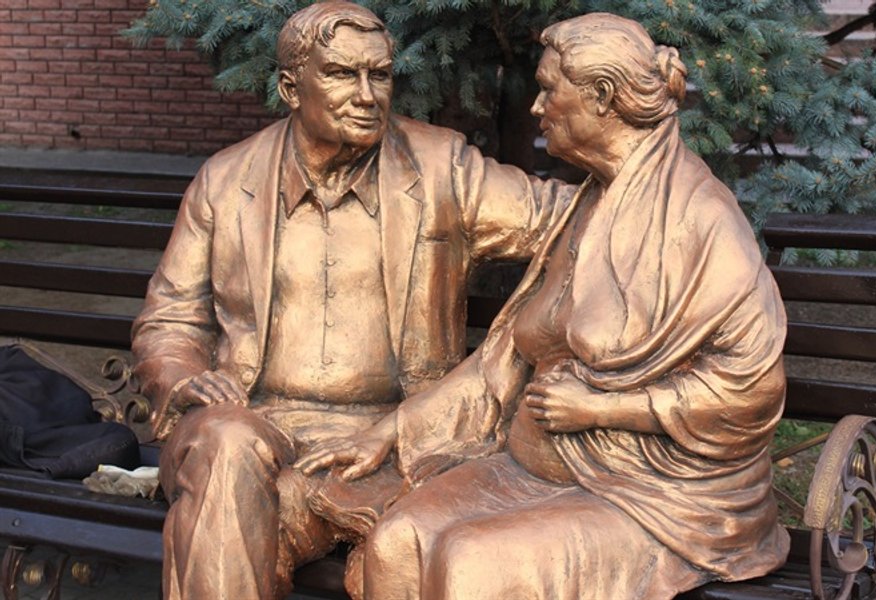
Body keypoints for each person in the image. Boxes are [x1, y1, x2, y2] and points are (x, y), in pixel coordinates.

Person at [303, 12, 791, 600]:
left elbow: (752, 388)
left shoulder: (701, 218)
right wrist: (391, 432)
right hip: (534, 469)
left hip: (658, 497)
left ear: (602, 97)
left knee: (470, 561)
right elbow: (504, 361)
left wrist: (606, 409)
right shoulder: (588, 202)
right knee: (397, 542)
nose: (536, 107)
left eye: (548, 89)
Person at [130, 3, 573, 599]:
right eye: (342, 74)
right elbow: (169, 318)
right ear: (291, 88)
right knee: (224, 448)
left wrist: (651, 170)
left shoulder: (440, 167)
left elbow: (566, 218)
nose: (367, 96)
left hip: (395, 437)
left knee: (402, 543)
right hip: (255, 424)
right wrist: (185, 378)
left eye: (380, 75)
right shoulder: (226, 182)